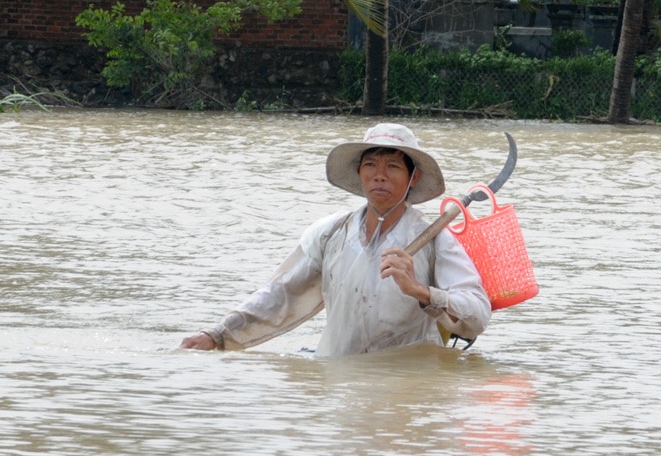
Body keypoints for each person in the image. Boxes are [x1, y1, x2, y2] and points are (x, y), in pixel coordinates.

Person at [179, 124, 492, 356]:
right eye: (371, 165)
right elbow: (281, 294)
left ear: (414, 178)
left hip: (402, 380)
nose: (379, 175)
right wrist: (219, 335)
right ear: (359, 172)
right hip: (340, 374)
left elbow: (477, 314)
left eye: (393, 166)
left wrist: (421, 292)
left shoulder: (435, 240)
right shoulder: (330, 233)